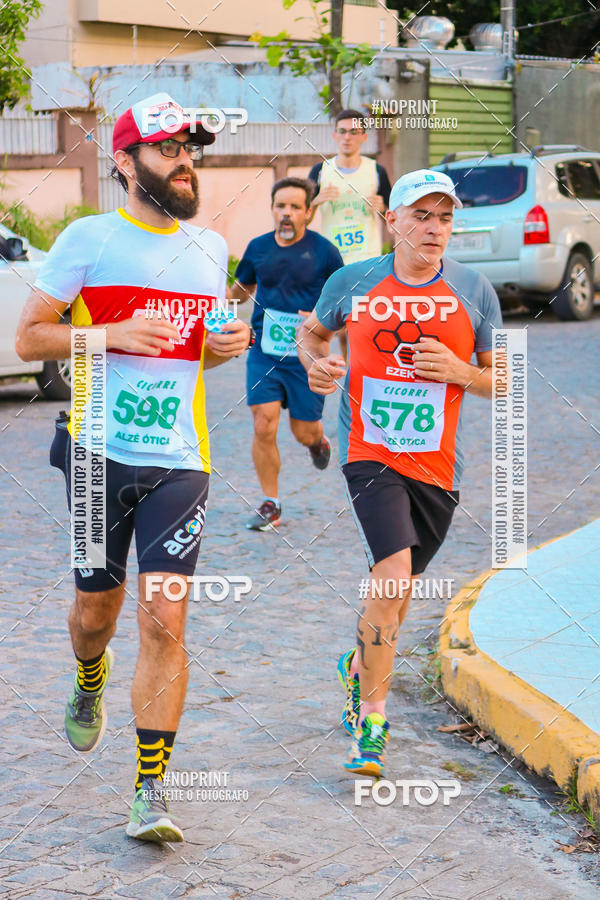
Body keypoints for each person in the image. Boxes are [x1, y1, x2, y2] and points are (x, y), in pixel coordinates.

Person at [15, 92, 252, 843]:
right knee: (96, 614)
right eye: (168, 149)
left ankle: (151, 790)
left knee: (166, 619)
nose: (186, 162)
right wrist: (109, 333)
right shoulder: (89, 239)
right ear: (126, 161)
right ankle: (89, 678)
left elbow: (198, 355)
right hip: (96, 456)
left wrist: (221, 349)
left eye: (190, 149)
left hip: (180, 461)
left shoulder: (209, 250)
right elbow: (29, 339)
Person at [298, 169, 502, 778]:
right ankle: (372, 722)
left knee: (400, 586)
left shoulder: (475, 290)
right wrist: (316, 365)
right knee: (389, 579)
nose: (434, 228)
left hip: (438, 467)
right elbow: (311, 334)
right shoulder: (352, 281)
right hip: (370, 453)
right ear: (392, 220)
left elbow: (508, 381)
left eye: (445, 217)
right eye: (421, 215)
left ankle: (359, 666)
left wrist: (460, 372)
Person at [233, 176, 344, 531]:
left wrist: (320, 317)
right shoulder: (258, 248)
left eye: (295, 207)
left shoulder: (325, 252)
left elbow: (344, 304)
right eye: (280, 206)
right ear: (272, 208)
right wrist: (218, 300)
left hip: (307, 356)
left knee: (303, 432)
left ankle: (317, 441)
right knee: (263, 422)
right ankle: (271, 503)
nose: (287, 213)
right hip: (264, 353)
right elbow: (241, 289)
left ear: (308, 212)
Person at [308, 108, 392, 359]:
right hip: (333, 262)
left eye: (354, 132)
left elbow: (394, 219)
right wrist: (315, 201)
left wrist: (382, 209)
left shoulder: (376, 171)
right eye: (342, 131)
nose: (347, 137)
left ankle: (364, 369)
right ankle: (348, 372)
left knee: (366, 323)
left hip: (368, 260)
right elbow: (303, 217)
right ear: (334, 135)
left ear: (364, 136)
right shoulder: (320, 171)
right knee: (339, 326)